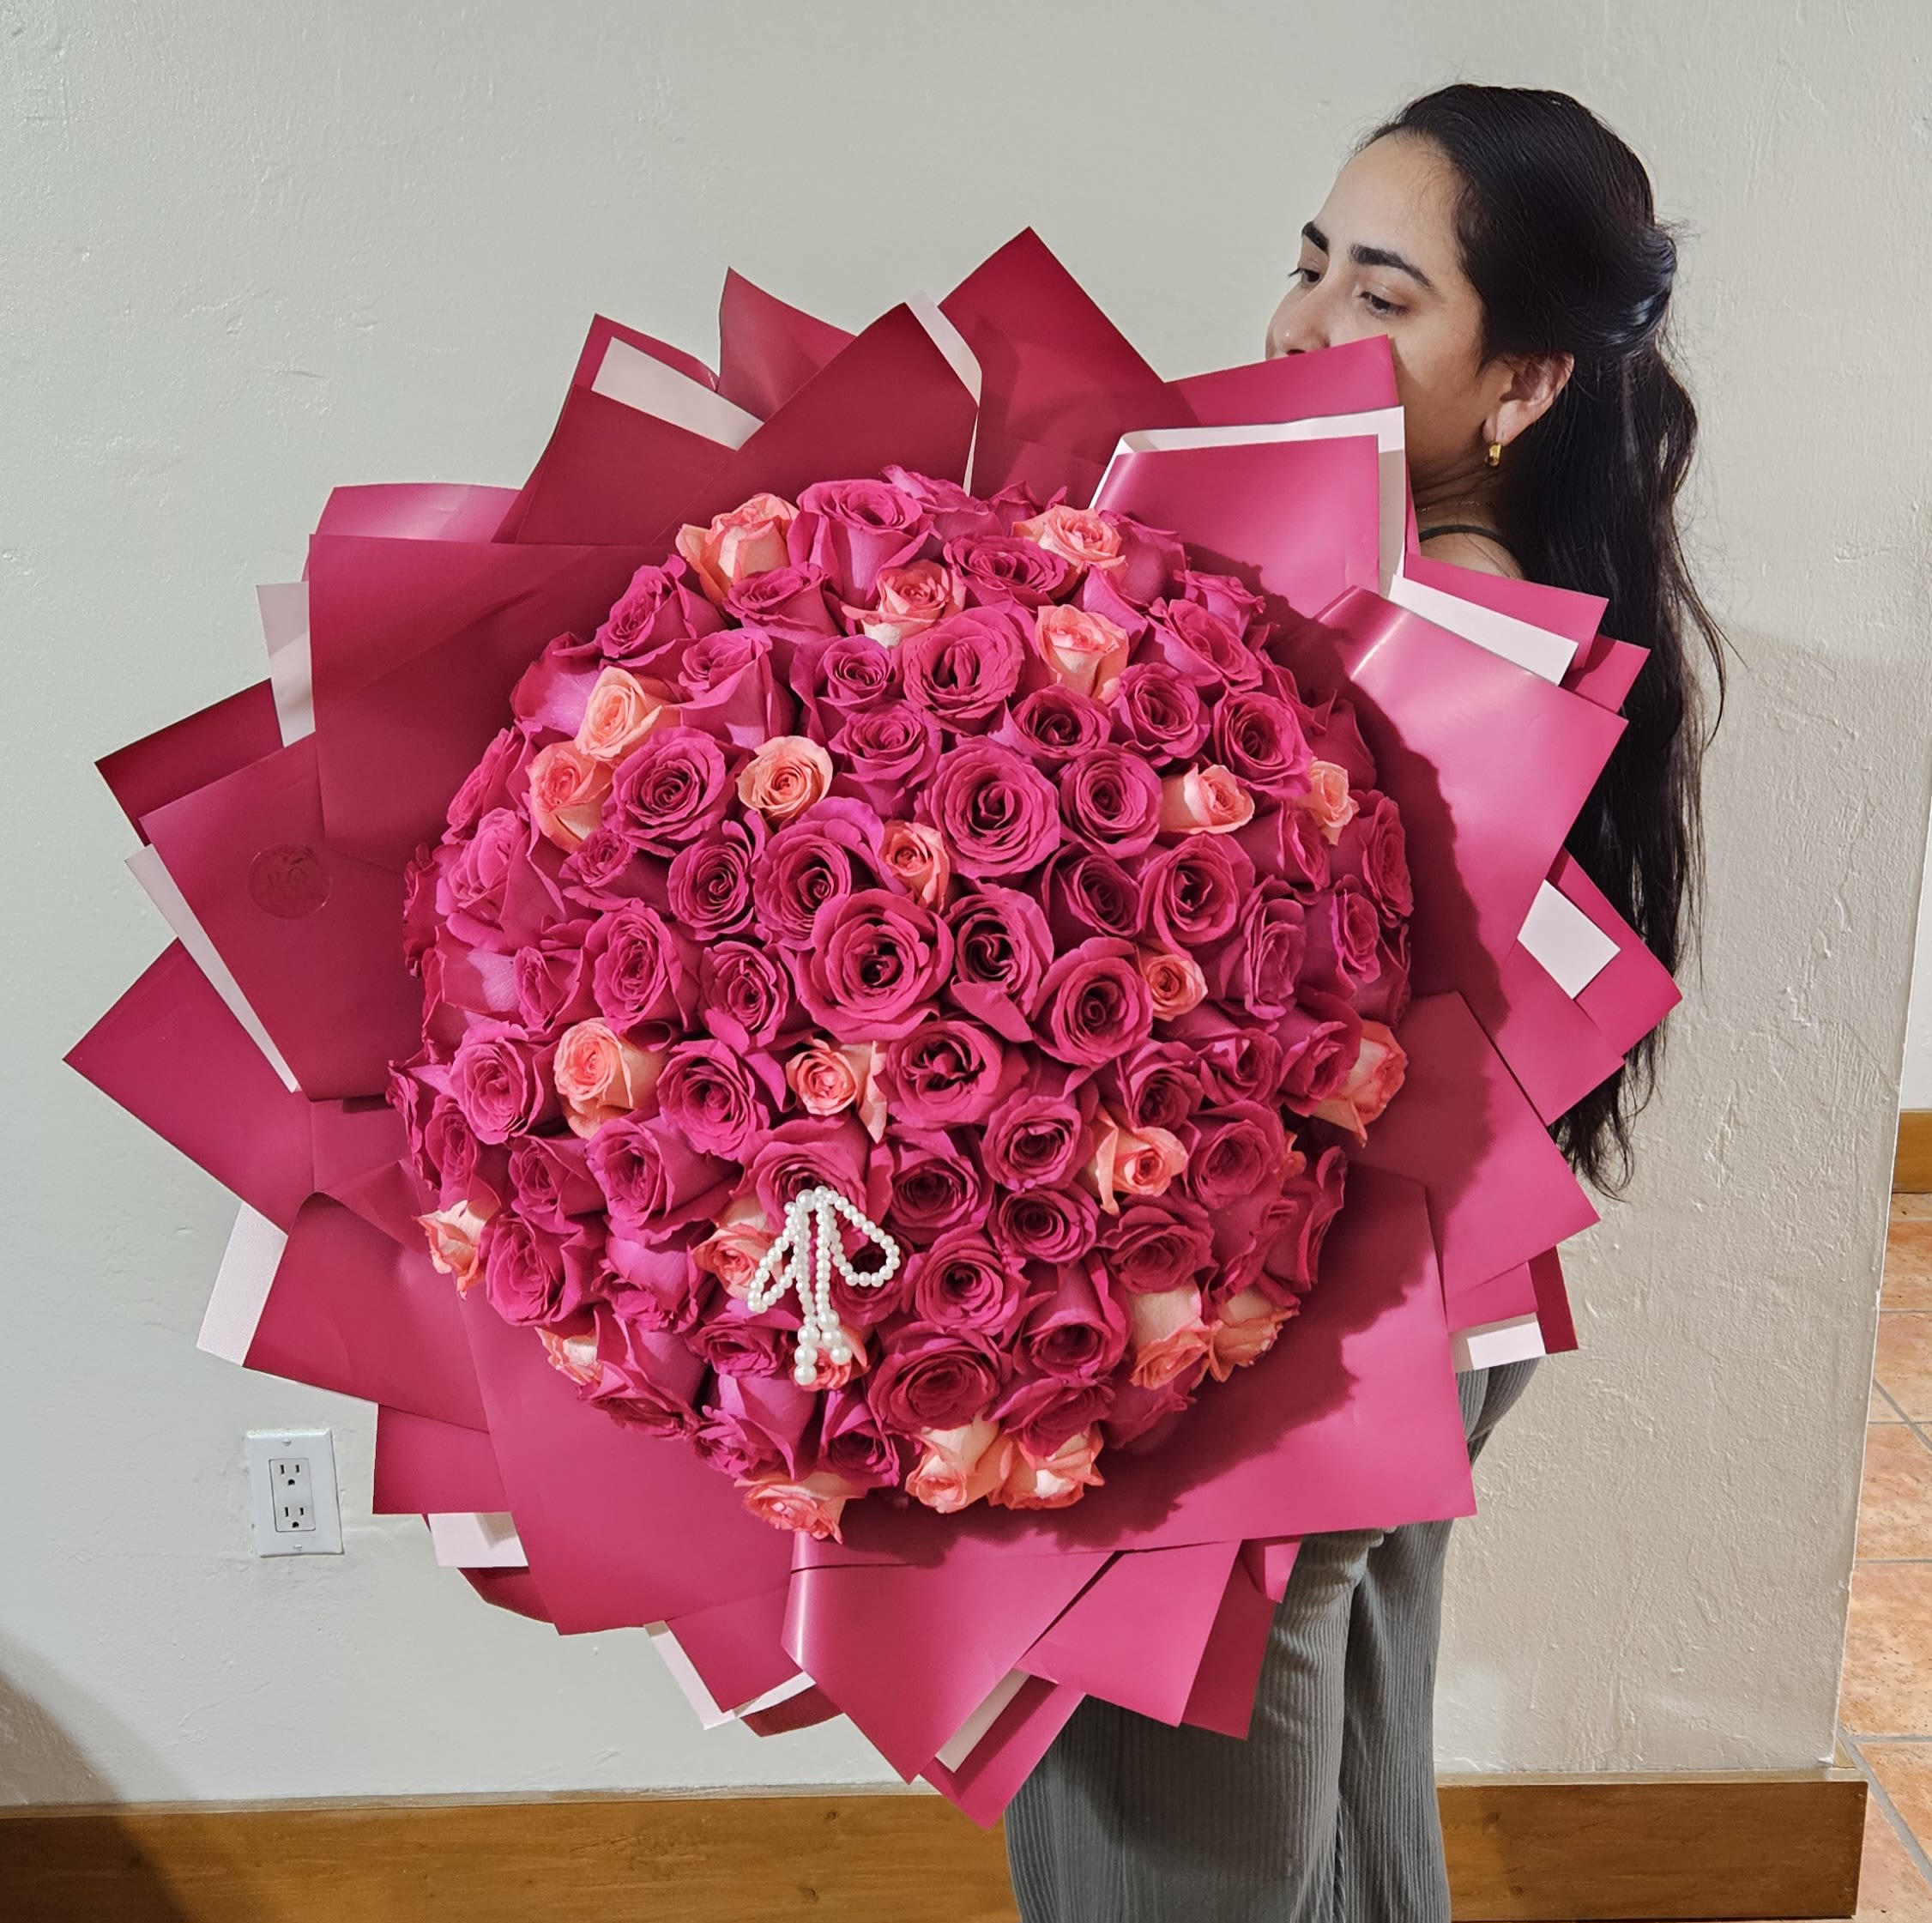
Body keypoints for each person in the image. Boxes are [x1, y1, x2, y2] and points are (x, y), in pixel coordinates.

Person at [1002, 83, 1729, 1923]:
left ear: (1525, 382)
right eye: (1310, 259)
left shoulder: (1440, 621)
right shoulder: (1448, 573)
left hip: (1320, 1327)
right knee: (1329, 1787)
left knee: (1173, 1821)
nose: (1301, 324)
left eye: (1383, 293)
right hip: (1422, 1317)